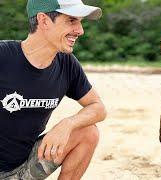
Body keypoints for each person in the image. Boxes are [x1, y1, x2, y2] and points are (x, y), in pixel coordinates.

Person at [0, 0, 106, 179]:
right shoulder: (4, 56)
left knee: (88, 132)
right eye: (72, 20)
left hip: (23, 169)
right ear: (44, 21)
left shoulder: (67, 64)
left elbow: (98, 107)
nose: (80, 30)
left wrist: (67, 124)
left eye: (80, 22)